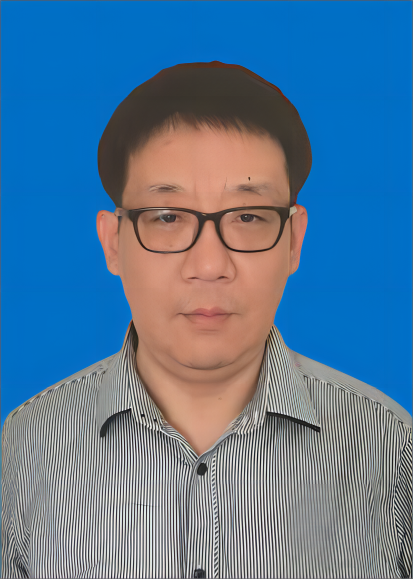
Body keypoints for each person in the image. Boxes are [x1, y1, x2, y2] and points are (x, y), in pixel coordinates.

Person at [1, 61, 411, 579]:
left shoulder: (387, 445)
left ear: (293, 240)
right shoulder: (26, 445)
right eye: (168, 218)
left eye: (248, 217)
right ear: (113, 243)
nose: (211, 265)